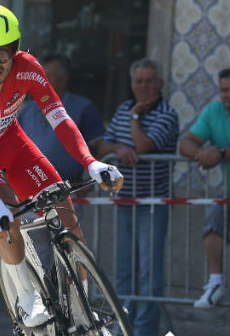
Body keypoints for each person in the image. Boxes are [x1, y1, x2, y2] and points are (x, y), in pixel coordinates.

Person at [0, 3, 123, 328]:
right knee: (8, 213)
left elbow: (59, 117)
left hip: (12, 145)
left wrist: (91, 163)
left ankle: (81, 306)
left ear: (15, 50)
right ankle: (26, 297)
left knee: (64, 211)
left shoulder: (27, 67)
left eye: (3, 53)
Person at [98, 58, 179, 336]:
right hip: (124, 203)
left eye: (148, 81)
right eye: (138, 82)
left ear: (161, 84)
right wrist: (119, 147)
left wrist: (135, 117)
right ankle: (124, 327)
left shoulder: (167, 114)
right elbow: (102, 146)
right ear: (132, 84)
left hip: (153, 206)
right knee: (123, 271)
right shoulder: (123, 109)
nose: (143, 87)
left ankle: (144, 331)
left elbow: (143, 146)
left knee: (149, 273)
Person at [179, 67, 230, 309]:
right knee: (213, 223)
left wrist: (219, 152)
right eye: (224, 90)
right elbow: (185, 143)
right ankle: (216, 282)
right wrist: (202, 154)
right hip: (228, 195)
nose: (227, 95)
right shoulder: (215, 111)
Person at [18, 52, 106, 185]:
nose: (42, 81)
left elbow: (100, 146)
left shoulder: (83, 108)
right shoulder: (26, 111)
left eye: (49, 76)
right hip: (32, 189)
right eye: (39, 75)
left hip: (70, 189)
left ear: (65, 78)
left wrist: (89, 181)